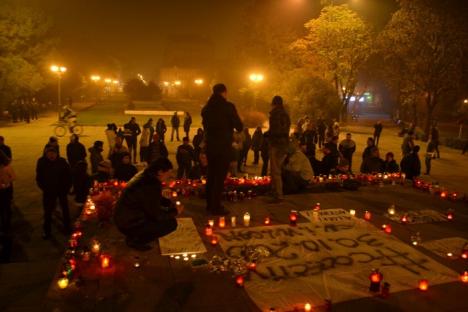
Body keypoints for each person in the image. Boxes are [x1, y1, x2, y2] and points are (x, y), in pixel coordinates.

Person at [114, 158, 183, 250]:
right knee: (171, 224)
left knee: (165, 217)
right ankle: (136, 240)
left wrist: (166, 202)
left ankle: (135, 236)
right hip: (130, 223)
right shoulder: (150, 184)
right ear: (160, 172)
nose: (169, 176)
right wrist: (175, 211)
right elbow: (156, 215)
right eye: (168, 173)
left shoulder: (145, 176)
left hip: (126, 217)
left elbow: (148, 199)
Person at [201, 83, 243, 215]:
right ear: (224, 92)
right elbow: (239, 126)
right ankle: (216, 206)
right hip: (223, 146)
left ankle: (209, 204)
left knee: (211, 174)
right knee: (219, 177)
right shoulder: (228, 106)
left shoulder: (206, 108)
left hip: (210, 146)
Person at [36, 146, 72, 239]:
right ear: (46, 153)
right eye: (49, 153)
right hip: (49, 191)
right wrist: (44, 187)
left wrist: (66, 188)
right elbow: (39, 176)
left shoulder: (62, 162)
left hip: (61, 190)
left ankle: (67, 227)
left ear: (57, 154)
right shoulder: (41, 162)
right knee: (47, 211)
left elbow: (68, 175)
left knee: (65, 209)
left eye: (53, 153)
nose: (51, 155)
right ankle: (47, 231)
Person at [268, 95, 291, 202]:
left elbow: (276, 130)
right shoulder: (286, 114)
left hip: (276, 144)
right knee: (277, 169)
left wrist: (268, 135)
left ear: (274, 104)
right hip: (284, 144)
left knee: (275, 170)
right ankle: (274, 191)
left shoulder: (275, 114)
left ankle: (278, 195)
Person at [0, 151, 15, 262]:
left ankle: (6, 225)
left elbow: (13, 177)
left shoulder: (6, 168)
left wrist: (6, 184)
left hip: (5, 191)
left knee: (5, 208)